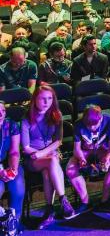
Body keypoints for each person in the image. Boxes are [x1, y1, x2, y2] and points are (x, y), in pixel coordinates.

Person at [21, 85, 75, 228]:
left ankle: (49, 210)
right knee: (51, 160)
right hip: (32, 158)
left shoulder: (56, 114)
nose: (47, 102)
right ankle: (63, 200)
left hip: (49, 155)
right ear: (35, 99)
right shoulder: (26, 117)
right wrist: (41, 153)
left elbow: (58, 141)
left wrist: (46, 152)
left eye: (50, 98)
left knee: (47, 172)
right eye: (43, 98)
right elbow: (25, 147)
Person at [65, 105, 110, 214]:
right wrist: (81, 158)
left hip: (103, 150)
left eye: (94, 125)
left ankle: (104, 201)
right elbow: (76, 149)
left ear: (101, 118)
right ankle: (85, 202)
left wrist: (107, 158)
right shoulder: (78, 124)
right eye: (88, 126)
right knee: (70, 169)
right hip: (85, 151)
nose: (92, 128)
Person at [0, 102, 24, 220]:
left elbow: (14, 151)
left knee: (17, 186)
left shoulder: (11, 125)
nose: (0, 114)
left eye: (3, 110)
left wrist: (13, 169)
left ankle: (14, 222)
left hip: (8, 162)